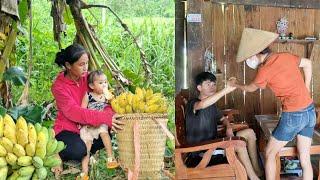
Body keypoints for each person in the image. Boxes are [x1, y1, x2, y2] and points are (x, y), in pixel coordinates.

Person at [230, 28, 315, 180]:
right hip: (310, 112)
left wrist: (236, 85)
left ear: (256, 53)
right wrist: (306, 88)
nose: (248, 59)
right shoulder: (285, 56)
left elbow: (250, 88)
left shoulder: (264, 70)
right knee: (305, 158)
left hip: (294, 115)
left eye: (249, 56)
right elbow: (308, 63)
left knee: (270, 153)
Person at [51, 43, 124, 177]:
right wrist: (105, 118)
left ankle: (86, 145)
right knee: (79, 152)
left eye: (87, 63)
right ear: (68, 65)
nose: (85, 67)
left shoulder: (90, 78)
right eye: (81, 64)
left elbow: (106, 100)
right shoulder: (59, 87)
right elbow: (74, 112)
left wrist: (109, 115)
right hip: (68, 129)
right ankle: (54, 147)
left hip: (89, 126)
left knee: (108, 132)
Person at [185, 72, 263, 180]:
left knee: (249, 133)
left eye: (214, 84)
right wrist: (226, 90)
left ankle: (257, 171)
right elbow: (202, 105)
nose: (212, 87)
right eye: (208, 84)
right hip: (203, 151)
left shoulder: (211, 104)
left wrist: (229, 127)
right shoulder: (192, 103)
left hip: (215, 143)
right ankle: (254, 178)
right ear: (199, 87)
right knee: (239, 145)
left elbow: (223, 119)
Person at [79, 70, 118, 178]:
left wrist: (111, 99)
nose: (104, 85)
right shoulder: (88, 95)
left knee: (104, 133)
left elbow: (113, 108)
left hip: (100, 123)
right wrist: (82, 123)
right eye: (100, 83)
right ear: (92, 85)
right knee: (87, 147)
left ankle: (110, 158)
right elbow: (82, 111)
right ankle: (84, 172)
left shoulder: (106, 96)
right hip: (88, 125)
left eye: (105, 82)